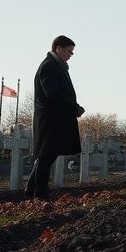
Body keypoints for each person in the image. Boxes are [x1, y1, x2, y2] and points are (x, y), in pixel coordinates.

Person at [24, 35, 85, 200]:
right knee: (46, 156)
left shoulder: (56, 66)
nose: (71, 55)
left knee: (47, 155)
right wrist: (74, 107)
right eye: (69, 51)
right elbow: (53, 93)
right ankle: (40, 195)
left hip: (55, 118)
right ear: (58, 48)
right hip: (50, 119)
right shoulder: (49, 66)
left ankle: (30, 190)